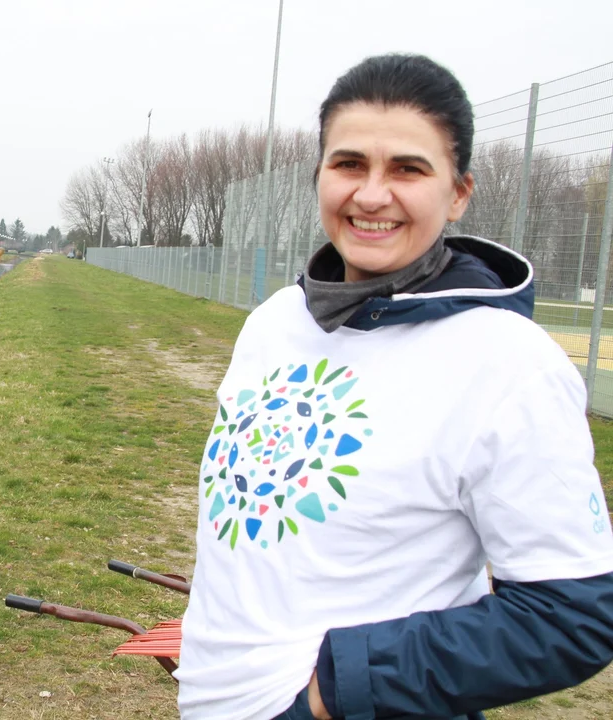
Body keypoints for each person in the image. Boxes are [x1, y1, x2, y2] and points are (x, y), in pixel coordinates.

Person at [175, 54, 613, 720]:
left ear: (459, 192)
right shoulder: (274, 323)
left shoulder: (507, 362)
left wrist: (334, 688)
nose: (372, 195)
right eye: (349, 164)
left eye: (408, 169)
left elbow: (571, 613)